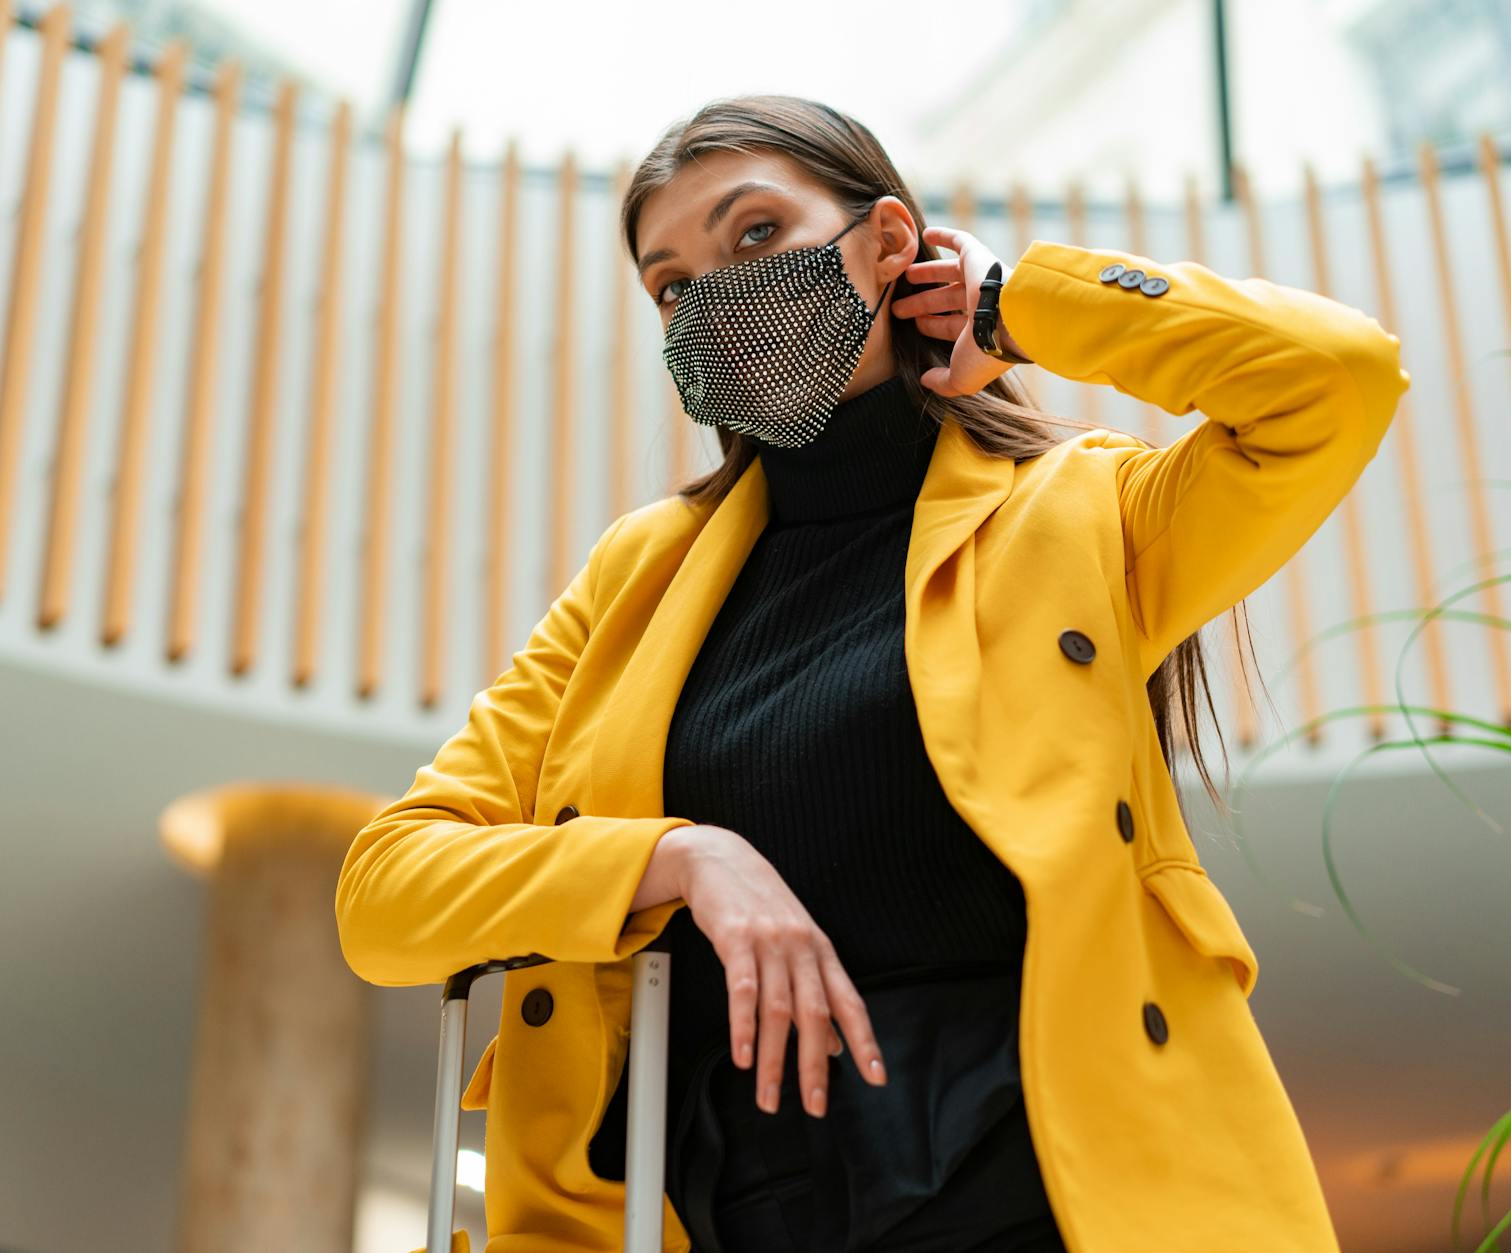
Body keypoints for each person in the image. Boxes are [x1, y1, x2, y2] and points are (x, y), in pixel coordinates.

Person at [337, 93, 1409, 1253]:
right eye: (672, 287)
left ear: (891, 241)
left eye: (754, 235)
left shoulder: (1079, 514)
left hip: (1040, 1180)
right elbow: (384, 893)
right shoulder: (635, 581)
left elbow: (1332, 378)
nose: (716, 299)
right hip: (726, 1203)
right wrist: (675, 856)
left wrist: (1017, 303)